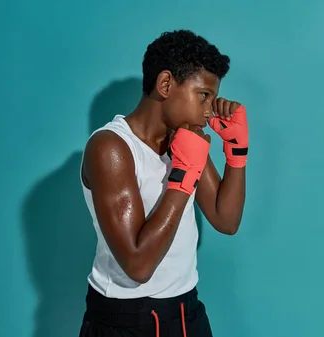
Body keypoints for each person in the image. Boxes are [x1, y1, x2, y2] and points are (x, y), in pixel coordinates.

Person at [78, 29, 248, 337]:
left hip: (186, 310)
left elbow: (226, 220)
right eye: (204, 95)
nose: (209, 111)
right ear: (166, 84)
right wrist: (183, 174)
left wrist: (236, 153)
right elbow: (138, 266)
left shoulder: (182, 141)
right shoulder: (111, 149)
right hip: (126, 318)